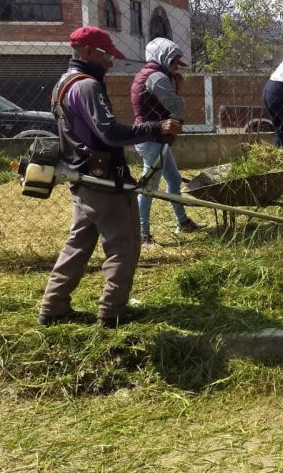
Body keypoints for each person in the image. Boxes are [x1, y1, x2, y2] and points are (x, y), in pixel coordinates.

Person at [38, 26, 182, 328]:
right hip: (103, 182)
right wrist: (158, 128)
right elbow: (110, 132)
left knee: (78, 244)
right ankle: (113, 312)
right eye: (107, 55)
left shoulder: (63, 84)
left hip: (81, 179)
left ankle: (53, 306)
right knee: (124, 245)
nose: (111, 62)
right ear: (88, 52)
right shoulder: (88, 86)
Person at [131, 37, 204, 245]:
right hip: (152, 138)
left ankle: (182, 221)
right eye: (172, 62)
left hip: (156, 137)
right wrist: (179, 91)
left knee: (173, 179)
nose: (175, 68)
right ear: (161, 57)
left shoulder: (155, 74)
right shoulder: (157, 78)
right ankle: (141, 235)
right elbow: (176, 106)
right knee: (148, 187)